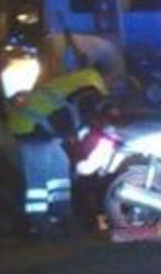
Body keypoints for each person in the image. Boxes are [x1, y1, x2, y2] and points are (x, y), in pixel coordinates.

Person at [7, 33, 110, 235]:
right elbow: (95, 110)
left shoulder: (83, 78)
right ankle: (39, 222)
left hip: (40, 124)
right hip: (31, 126)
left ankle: (61, 212)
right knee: (39, 177)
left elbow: (73, 111)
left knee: (60, 165)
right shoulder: (91, 83)